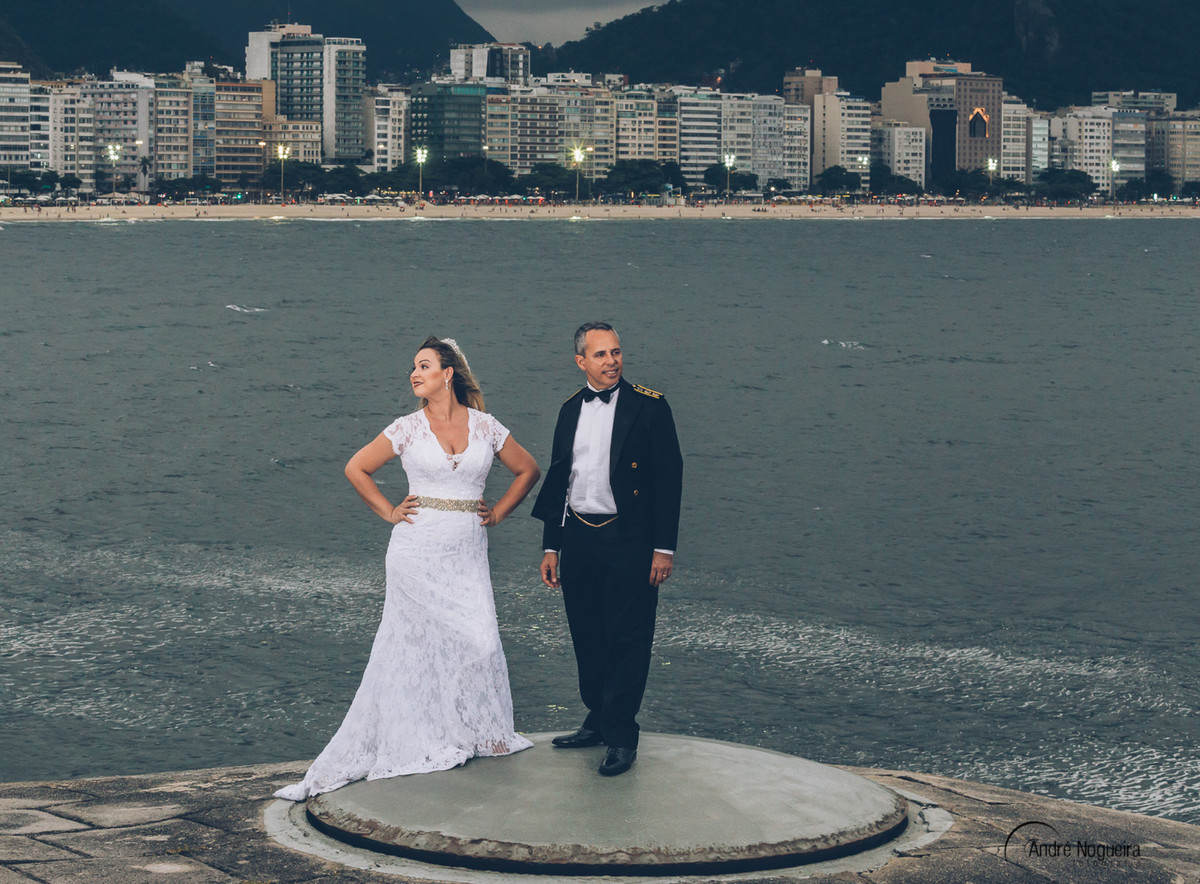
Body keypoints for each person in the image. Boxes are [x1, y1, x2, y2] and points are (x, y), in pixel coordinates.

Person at [276, 336, 540, 800]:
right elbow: (356, 468)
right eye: (413, 368)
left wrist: (497, 513)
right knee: (412, 649)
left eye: (424, 366)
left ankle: (479, 732)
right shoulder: (407, 428)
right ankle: (424, 738)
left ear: (447, 373)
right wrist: (388, 511)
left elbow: (528, 470)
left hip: (466, 554)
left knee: (477, 638)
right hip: (414, 553)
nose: (414, 374)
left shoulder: (486, 426)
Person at [532, 322, 683, 777]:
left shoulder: (651, 407)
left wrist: (664, 549)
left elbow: (669, 480)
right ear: (581, 361)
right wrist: (551, 546)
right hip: (578, 537)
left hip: (630, 541)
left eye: (616, 352)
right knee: (587, 635)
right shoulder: (568, 410)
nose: (612, 361)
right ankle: (597, 719)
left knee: (629, 639)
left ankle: (621, 735)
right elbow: (561, 481)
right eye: (600, 354)